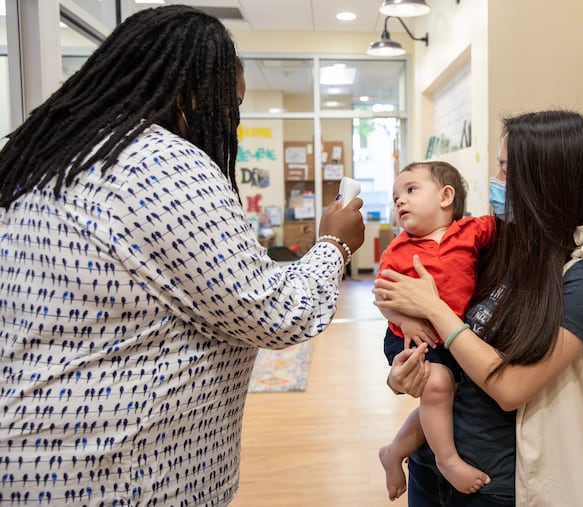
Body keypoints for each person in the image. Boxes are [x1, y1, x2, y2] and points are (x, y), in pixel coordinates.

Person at [0, 5, 364, 506]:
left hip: (35, 458)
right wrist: (334, 244)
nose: (231, 124)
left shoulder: (49, 158)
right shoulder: (159, 164)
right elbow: (275, 312)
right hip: (114, 473)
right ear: (191, 95)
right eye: (229, 107)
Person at [376, 110, 583, 506]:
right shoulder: (497, 247)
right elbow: (412, 317)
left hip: (493, 484)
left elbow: (511, 389)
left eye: (506, 171)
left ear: (547, 182)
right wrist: (399, 376)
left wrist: (436, 309)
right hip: (428, 468)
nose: (495, 182)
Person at [376, 162, 495, 501]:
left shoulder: (472, 231)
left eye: (411, 190)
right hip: (411, 336)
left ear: (446, 196)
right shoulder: (398, 249)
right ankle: (447, 460)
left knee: (441, 399)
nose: (400, 201)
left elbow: (512, 230)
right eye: (396, 196)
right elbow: (382, 298)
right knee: (439, 386)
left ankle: (393, 451)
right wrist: (406, 320)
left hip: (452, 334)